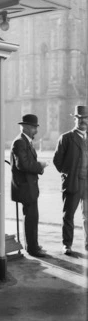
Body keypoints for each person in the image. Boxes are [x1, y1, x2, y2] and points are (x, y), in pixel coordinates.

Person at [10, 114, 48, 257]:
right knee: (31, 218)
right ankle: (32, 249)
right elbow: (23, 164)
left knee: (33, 217)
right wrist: (40, 166)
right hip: (25, 187)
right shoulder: (19, 142)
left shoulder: (25, 141)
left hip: (29, 186)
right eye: (33, 128)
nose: (36, 131)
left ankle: (33, 245)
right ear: (25, 127)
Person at [53, 105, 88, 255]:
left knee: (87, 215)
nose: (83, 121)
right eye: (79, 118)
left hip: (87, 183)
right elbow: (57, 161)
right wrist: (67, 174)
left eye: (85, 118)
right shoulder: (66, 138)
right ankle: (67, 244)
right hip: (72, 182)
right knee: (68, 215)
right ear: (75, 119)